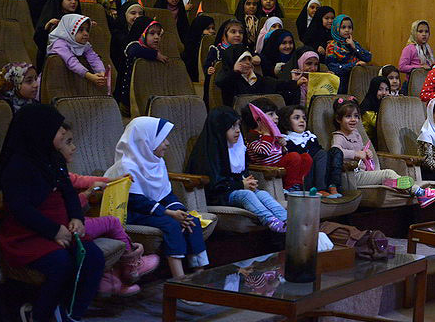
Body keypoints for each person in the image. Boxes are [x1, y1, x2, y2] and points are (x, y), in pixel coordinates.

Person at [0, 105, 112, 322]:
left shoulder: (53, 157)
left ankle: (72, 315)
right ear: (40, 131)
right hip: (27, 232)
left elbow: (69, 193)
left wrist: (77, 218)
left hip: (61, 226)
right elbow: (20, 209)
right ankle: (37, 319)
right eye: (57, 129)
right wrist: (54, 231)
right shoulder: (17, 165)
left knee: (93, 257)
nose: (62, 132)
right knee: (61, 263)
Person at [55, 123, 159, 297]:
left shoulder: (62, 172)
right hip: (67, 225)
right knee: (112, 222)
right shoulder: (55, 176)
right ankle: (131, 265)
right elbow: (65, 208)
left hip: (71, 221)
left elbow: (81, 180)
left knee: (109, 228)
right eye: (68, 142)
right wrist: (87, 194)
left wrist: (112, 180)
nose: (74, 147)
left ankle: (111, 281)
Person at [106, 117, 210, 279]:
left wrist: (180, 212)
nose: (167, 143)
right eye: (162, 139)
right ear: (145, 141)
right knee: (171, 225)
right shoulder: (126, 166)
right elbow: (136, 201)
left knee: (191, 221)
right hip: (132, 213)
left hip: (154, 210)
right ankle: (179, 279)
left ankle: (200, 274)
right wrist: (170, 214)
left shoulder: (157, 162)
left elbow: (166, 194)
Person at [187, 106, 288, 233]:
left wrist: (248, 182)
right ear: (220, 128)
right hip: (218, 196)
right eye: (232, 126)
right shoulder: (208, 152)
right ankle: (270, 221)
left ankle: (286, 219)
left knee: (262, 193)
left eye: (238, 125)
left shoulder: (237, 146)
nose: (238, 130)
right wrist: (241, 184)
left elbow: (242, 173)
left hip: (236, 189)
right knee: (246, 195)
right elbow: (213, 184)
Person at [331, 97, 435, 206]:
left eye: (356, 116)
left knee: (389, 175)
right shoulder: (338, 136)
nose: (353, 119)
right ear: (338, 119)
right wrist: (355, 154)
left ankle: (392, 183)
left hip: (363, 172)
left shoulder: (356, 134)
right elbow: (335, 151)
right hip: (351, 176)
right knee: (387, 173)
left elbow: (360, 148)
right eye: (348, 116)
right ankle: (421, 193)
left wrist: (366, 152)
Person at [242, 99, 311, 192]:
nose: (276, 117)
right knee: (294, 156)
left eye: (275, 114)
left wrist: (283, 147)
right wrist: (266, 135)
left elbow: (277, 152)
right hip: (266, 167)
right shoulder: (253, 136)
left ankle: (297, 184)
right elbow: (263, 152)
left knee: (306, 157)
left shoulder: (273, 134)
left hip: (277, 164)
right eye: (271, 114)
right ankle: (290, 187)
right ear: (259, 119)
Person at [278, 104, 344, 197]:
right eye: (297, 118)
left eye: (304, 118)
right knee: (305, 157)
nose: (302, 120)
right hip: (300, 178)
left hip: (314, 172)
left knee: (324, 153)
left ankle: (325, 188)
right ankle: (317, 189)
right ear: (286, 121)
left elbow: (318, 153)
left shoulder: (310, 137)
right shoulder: (285, 139)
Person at [214, 44, 298, 107]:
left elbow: (277, 84)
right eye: (243, 59)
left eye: (249, 59)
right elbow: (221, 82)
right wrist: (235, 72)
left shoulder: (257, 79)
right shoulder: (229, 79)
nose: (248, 63)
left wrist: (295, 82)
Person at [117, 16, 169, 109]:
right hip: (128, 100)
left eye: (158, 34)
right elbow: (134, 51)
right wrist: (155, 55)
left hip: (145, 95)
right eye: (152, 33)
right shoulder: (133, 45)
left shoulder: (153, 49)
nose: (156, 37)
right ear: (142, 33)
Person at [47, 13, 108, 90]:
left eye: (87, 30)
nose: (86, 33)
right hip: (56, 83)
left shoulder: (84, 45)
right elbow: (71, 61)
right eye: (80, 30)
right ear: (70, 30)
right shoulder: (59, 44)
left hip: (73, 82)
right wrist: (90, 76)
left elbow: (94, 58)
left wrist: (101, 73)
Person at [34, 0, 81, 71]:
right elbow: (40, 42)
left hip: (75, 61)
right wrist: (47, 27)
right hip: (51, 62)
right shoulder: (50, 17)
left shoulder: (79, 19)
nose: (74, 2)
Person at [323, 14, 371, 93]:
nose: (347, 30)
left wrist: (355, 47)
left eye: (349, 27)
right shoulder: (332, 46)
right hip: (339, 82)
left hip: (355, 81)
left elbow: (368, 57)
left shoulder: (353, 43)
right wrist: (354, 65)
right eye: (343, 27)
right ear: (336, 28)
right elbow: (333, 67)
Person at [182, 14, 216, 82]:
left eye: (213, 28)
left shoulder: (215, 46)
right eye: (207, 29)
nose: (212, 31)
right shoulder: (191, 49)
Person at [358, 76, 389, 142]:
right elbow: (379, 124)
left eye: (387, 89)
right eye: (380, 89)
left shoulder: (383, 103)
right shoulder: (367, 105)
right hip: (364, 141)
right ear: (374, 90)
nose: (384, 93)